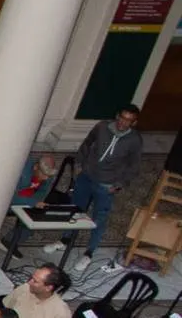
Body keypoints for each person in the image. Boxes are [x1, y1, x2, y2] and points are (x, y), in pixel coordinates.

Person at [55, 103, 142, 272]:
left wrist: (119, 185)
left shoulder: (135, 140)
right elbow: (88, 143)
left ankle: (88, 253)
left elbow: (134, 166)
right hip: (87, 177)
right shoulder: (102, 127)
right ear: (117, 115)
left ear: (134, 123)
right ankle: (65, 240)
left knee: (99, 219)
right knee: (75, 209)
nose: (123, 123)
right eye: (122, 118)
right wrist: (82, 164)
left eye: (128, 121)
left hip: (107, 184)